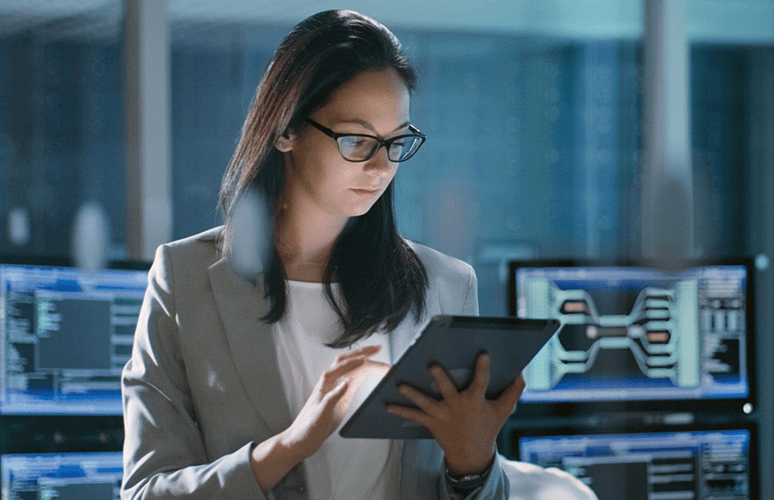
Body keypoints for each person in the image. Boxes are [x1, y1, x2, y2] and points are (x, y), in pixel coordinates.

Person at [121, 9, 527, 500]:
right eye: (356, 140)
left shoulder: (445, 283)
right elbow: (144, 492)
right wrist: (289, 446)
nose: (380, 168)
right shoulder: (185, 279)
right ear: (285, 130)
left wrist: (473, 464)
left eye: (395, 142)